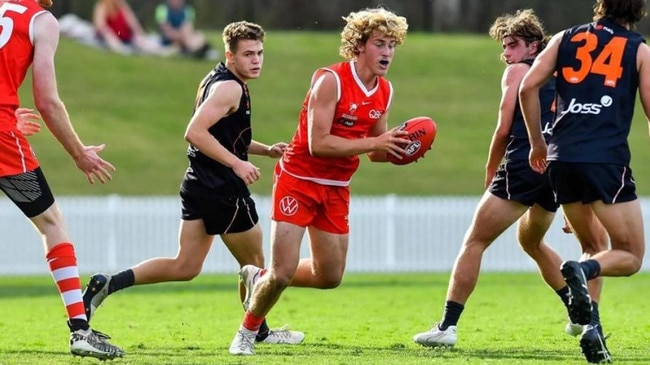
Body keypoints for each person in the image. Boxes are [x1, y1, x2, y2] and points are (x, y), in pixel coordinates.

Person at [81, 20, 305, 346]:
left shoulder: (216, 79)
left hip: (198, 183)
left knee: (185, 265)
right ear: (230, 55)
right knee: (256, 266)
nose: (256, 60)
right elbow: (195, 132)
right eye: (248, 54)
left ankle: (108, 283)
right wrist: (238, 163)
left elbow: (221, 135)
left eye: (259, 53)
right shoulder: (230, 88)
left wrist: (263, 150)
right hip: (223, 188)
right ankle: (259, 331)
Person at [412, 8, 609, 357]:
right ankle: (577, 312)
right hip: (561, 166)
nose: (506, 54)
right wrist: (571, 192)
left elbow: (503, 128)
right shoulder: (564, 74)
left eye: (513, 45)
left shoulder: (518, 71)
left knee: (474, 241)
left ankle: (447, 326)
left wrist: (490, 173)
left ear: (533, 46)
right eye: (504, 48)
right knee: (531, 239)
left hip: (524, 162)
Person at [228, 7, 411, 356]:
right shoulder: (331, 80)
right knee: (282, 274)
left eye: (392, 45)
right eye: (379, 44)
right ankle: (247, 333)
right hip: (298, 179)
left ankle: (258, 277)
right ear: (358, 46)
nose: (387, 52)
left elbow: (376, 150)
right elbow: (318, 143)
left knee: (330, 276)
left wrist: (405, 149)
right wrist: (376, 143)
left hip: (337, 188)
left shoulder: (384, 91)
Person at [519, 0, 649, 363]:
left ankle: (593, 334)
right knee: (630, 256)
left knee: (594, 244)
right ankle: (581, 269)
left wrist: (537, 144)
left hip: (561, 160)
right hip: (605, 163)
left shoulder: (565, 38)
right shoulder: (639, 49)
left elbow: (527, 88)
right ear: (639, 10)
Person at [0, 0, 123, 360]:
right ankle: (80, 331)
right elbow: (47, 101)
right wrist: (79, 154)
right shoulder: (41, 20)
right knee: (52, 223)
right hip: (3, 141)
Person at [93, 0, 173, 56]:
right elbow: (100, 25)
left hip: (124, 36)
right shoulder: (103, 5)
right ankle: (119, 50)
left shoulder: (122, 6)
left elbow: (132, 22)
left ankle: (160, 51)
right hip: (112, 36)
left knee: (140, 40)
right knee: (108, 33)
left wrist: (139, 34)